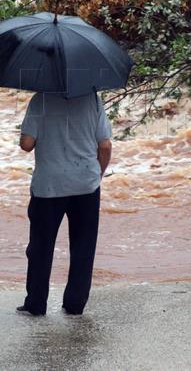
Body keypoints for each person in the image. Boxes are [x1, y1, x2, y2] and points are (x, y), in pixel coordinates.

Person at [16, 91, 113, 316]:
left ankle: (36, 304)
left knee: (40, 247)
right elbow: (105, 146)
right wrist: (97, 174)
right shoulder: (92, 99)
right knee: (83, 247)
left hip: (49, 186)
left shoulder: (40, 99)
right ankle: (75, 304)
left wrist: (29, 133)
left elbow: (27, 144)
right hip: (85, 185)